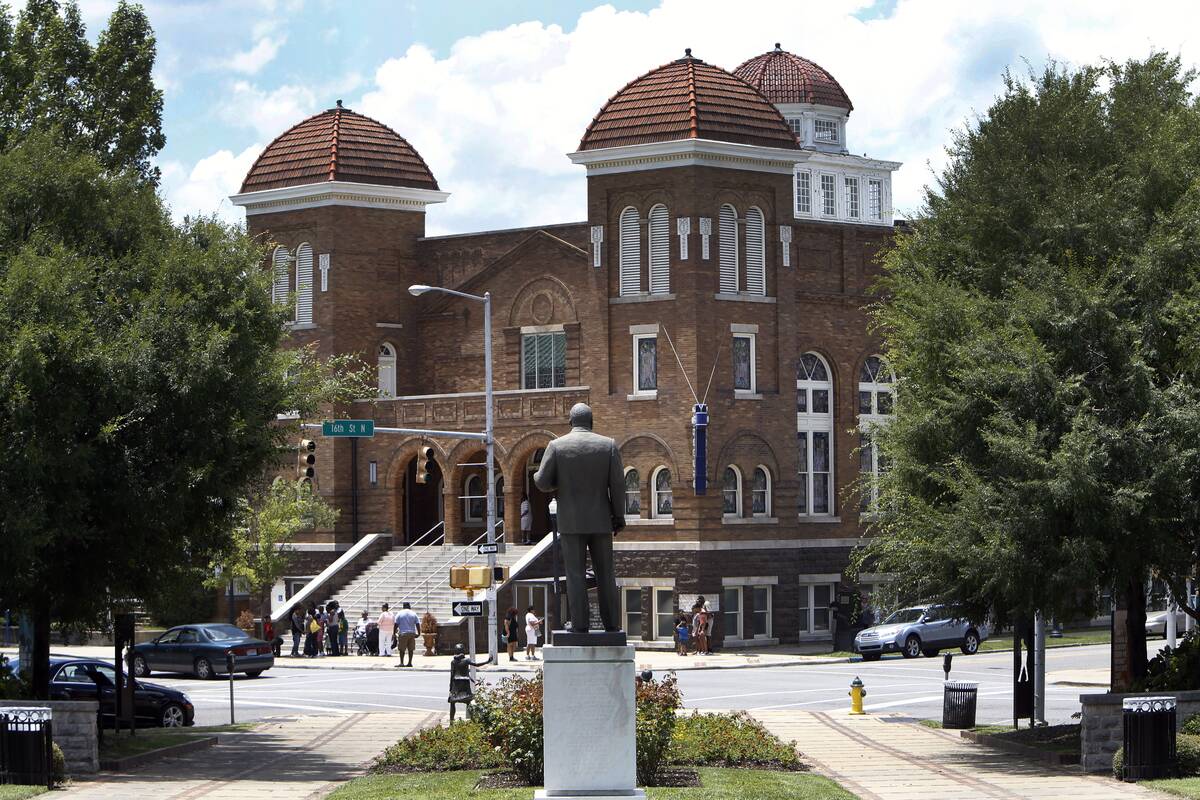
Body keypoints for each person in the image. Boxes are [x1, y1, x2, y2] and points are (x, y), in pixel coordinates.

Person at [532, 403, 625, 633]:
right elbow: (618, 485)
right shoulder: (608, 445)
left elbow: (542, 482)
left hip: (571, 522)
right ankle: (612, 624)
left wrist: (558, 481)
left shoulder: (556, 446)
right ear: (592, 422)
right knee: (606, 572)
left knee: (575, 575)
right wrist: (619, 515)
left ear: (570, 423)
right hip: (602, 520)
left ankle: (580, 626)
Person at [447, 644, 492, 724]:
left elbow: (452, 674)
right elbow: (476, 664)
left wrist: (450, 687)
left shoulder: (453, 662)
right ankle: (473, 721)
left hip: (456, 684)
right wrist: (487, 661)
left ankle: (451, 721)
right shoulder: (466, 660)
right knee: (468, 702)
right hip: (464, 683)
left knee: (453, 702)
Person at [395, 602, 420, 667]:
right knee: (411, 649)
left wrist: (393, 632)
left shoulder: (400, 613)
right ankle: (409, 662)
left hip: (403, 633)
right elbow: (417, 623)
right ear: (409, 606)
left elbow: (396, 624)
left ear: (403, 606)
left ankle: (402, 662)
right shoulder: (413, 613)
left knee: (401, 649)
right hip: (412, 633)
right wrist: (419, 633)